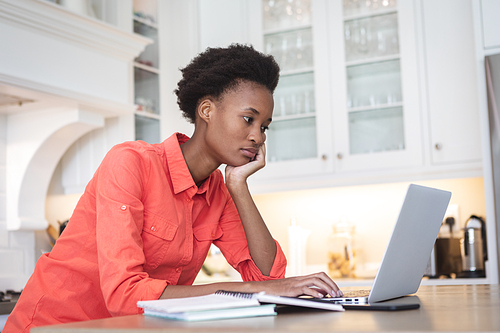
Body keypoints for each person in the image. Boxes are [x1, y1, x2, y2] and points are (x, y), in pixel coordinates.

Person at [4, 44, 341, 332]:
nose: (259, 136)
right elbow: (125, 294)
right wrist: (249, 290)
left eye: (265, 126)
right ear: (206, 110)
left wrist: (238, 186)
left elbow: (268, 277)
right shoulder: (130, 164)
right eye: (248, 119)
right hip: (51, 326)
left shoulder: (217, 193)